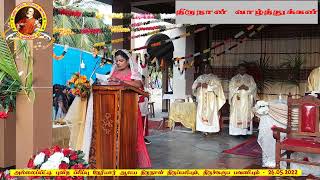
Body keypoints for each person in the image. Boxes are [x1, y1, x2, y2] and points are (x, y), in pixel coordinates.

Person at [108, 49, 152, 168]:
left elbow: (138, 84)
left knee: (131, 135)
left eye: (121, 60)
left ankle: (131, 161)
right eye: (116, 61)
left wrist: (121, 81)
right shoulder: (114, 72)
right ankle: (117, 160)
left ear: (128, 61)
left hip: (129, 108)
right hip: (114, 106)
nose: (118, 63)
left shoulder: (133, 72)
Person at [192, 63, 226, 136]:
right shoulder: (200, 77)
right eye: (205, 68)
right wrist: (197, 86)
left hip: (211, 100)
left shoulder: (215, 78)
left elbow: (218, 87)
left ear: (211, 69)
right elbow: (194, 86)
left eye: (208, 68)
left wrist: (208, 86)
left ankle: (212, 130)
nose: (206, 69)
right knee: (201, 113)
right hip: (201, 99)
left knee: (211, 113)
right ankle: (203, 129)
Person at [229, 64, 257, 136]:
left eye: (243, 69)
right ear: (238, 70)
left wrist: (247, 88)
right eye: (240, 69)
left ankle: (245, 132)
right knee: (236, 114)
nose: (242, 70)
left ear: (246, 70)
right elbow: (231, 88)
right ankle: (236, 132)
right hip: (237, 100)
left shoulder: (250, 78)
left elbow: (254, 87)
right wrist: (238, 88)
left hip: (247, 100)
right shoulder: (234, 78)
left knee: (246, 114)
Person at [139, 75, 151, 144]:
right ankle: (141, 138)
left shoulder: (144, 88)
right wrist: (144, 95)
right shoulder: (136, 88)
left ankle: (143, 137)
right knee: (140, 124)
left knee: (144, 124)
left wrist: (147, 96)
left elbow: (147, 96)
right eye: (141, 80)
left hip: (144, 109)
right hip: (140, 109)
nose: (142, 82)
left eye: (143, 80)